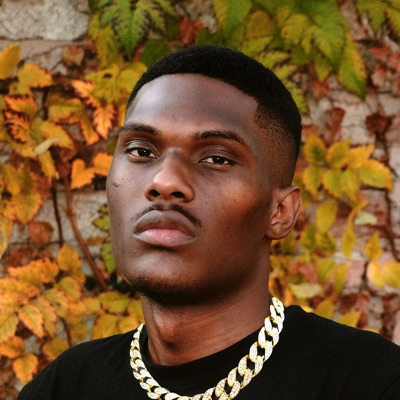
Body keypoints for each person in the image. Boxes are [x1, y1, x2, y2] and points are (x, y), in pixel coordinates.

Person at [18, 45, 400, 400]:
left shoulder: (371, 382)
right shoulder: (67, 386)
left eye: (217, 159)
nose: (164, 181)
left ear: (280, 212)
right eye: (141, 150)